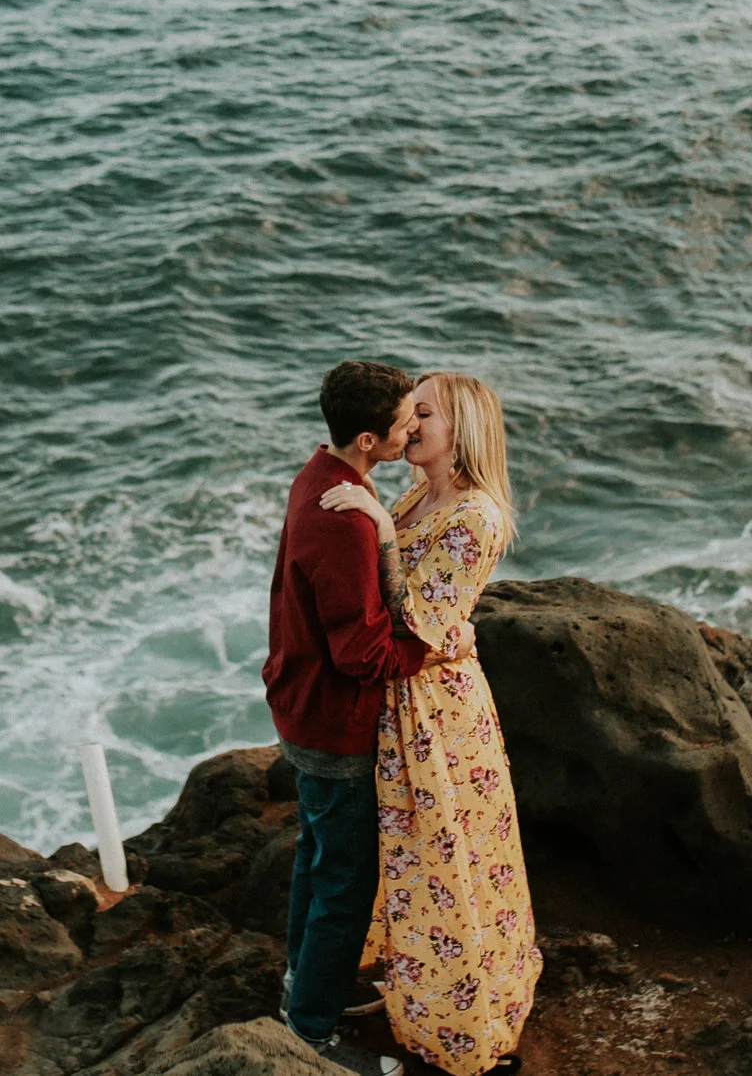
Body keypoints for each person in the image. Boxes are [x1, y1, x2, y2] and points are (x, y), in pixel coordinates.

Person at [322, 371, 541, 1076]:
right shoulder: (419, 494)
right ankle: (413, 991)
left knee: (447, 860)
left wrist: (380, 528)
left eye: (423, 413)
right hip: (402, 702)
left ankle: (460, 1027)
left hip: (438, 715)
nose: (407, 424)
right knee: (408, 862)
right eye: (407, 412)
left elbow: (417, 622)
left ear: (462, 429)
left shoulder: (475, 516)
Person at [263, 360, 431, 1076]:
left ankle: (302, 987)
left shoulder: (321, 477)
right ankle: (311, 1033)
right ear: (369, 440)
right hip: (334, 722)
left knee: (317, 857)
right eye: (405, 421)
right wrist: (431, 646)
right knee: (346, 883)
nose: (413, 429)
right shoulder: (343, 519)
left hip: (300, 705)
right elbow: (362, 653)